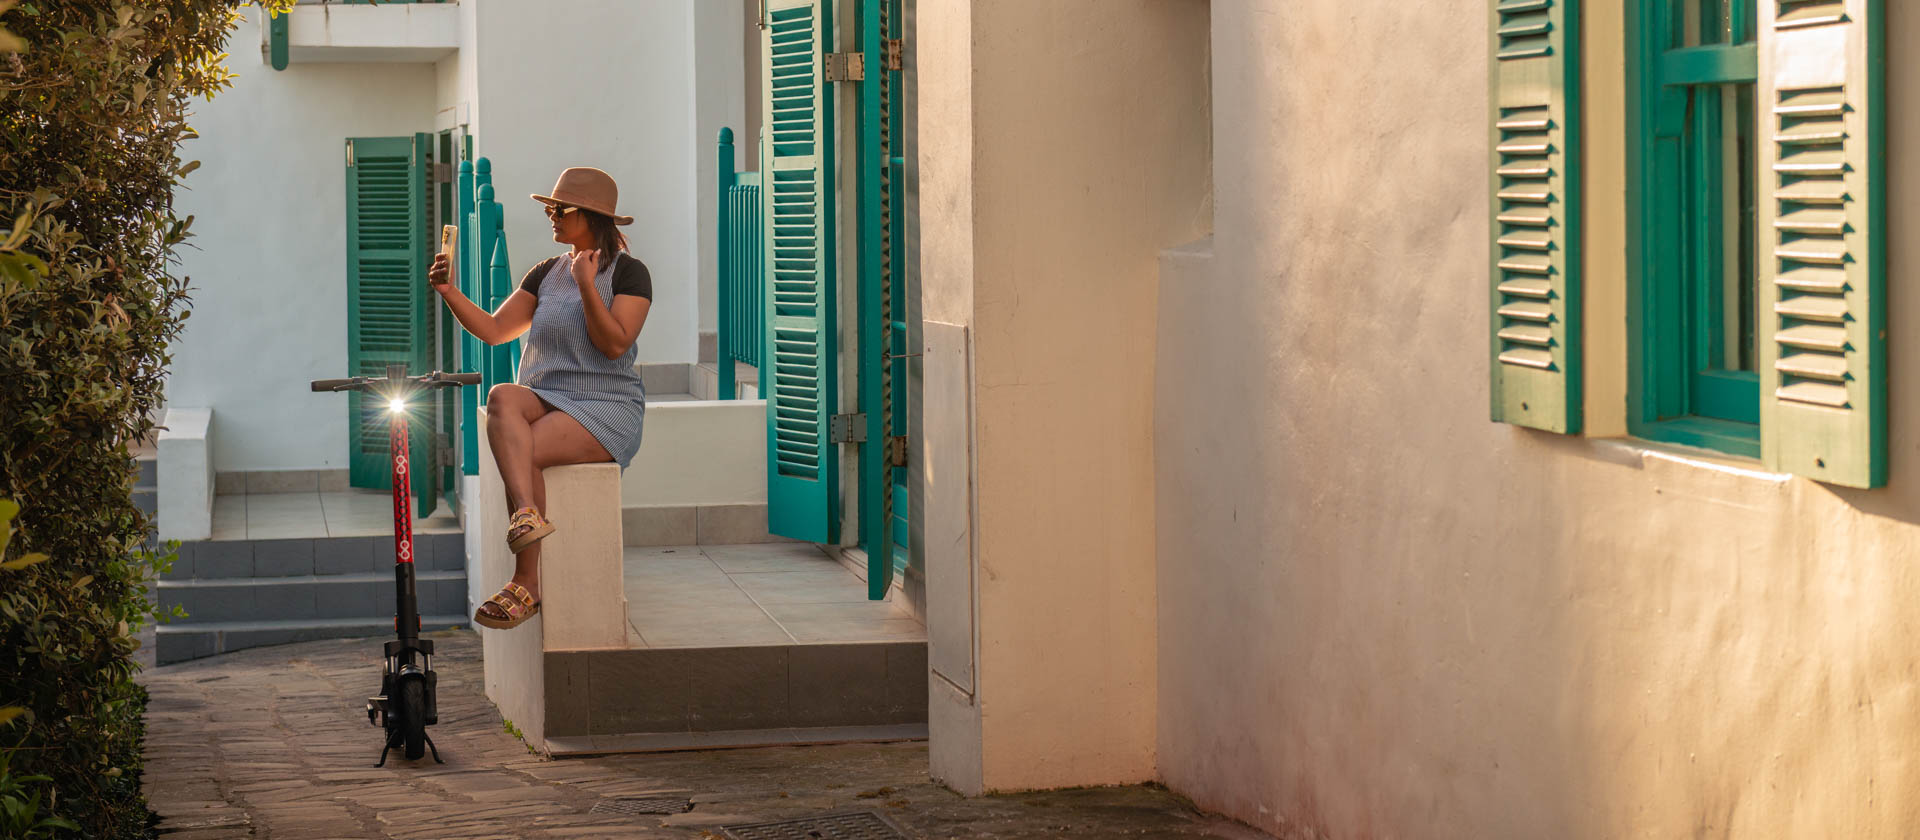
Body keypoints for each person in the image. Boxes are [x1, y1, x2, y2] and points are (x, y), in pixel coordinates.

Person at [426, 167, 652, 630]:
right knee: (502, 396)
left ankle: (525, 583)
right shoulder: (546, 272)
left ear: (591, 216)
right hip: (547, 393)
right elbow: (495, 330)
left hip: (605, 404)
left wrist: (586, 283)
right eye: (549, 207)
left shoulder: (629, 274)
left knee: (523, 451)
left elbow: (614, 345)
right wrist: (449, 293)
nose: (551, 215)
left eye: (559, 209)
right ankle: (527, 516)